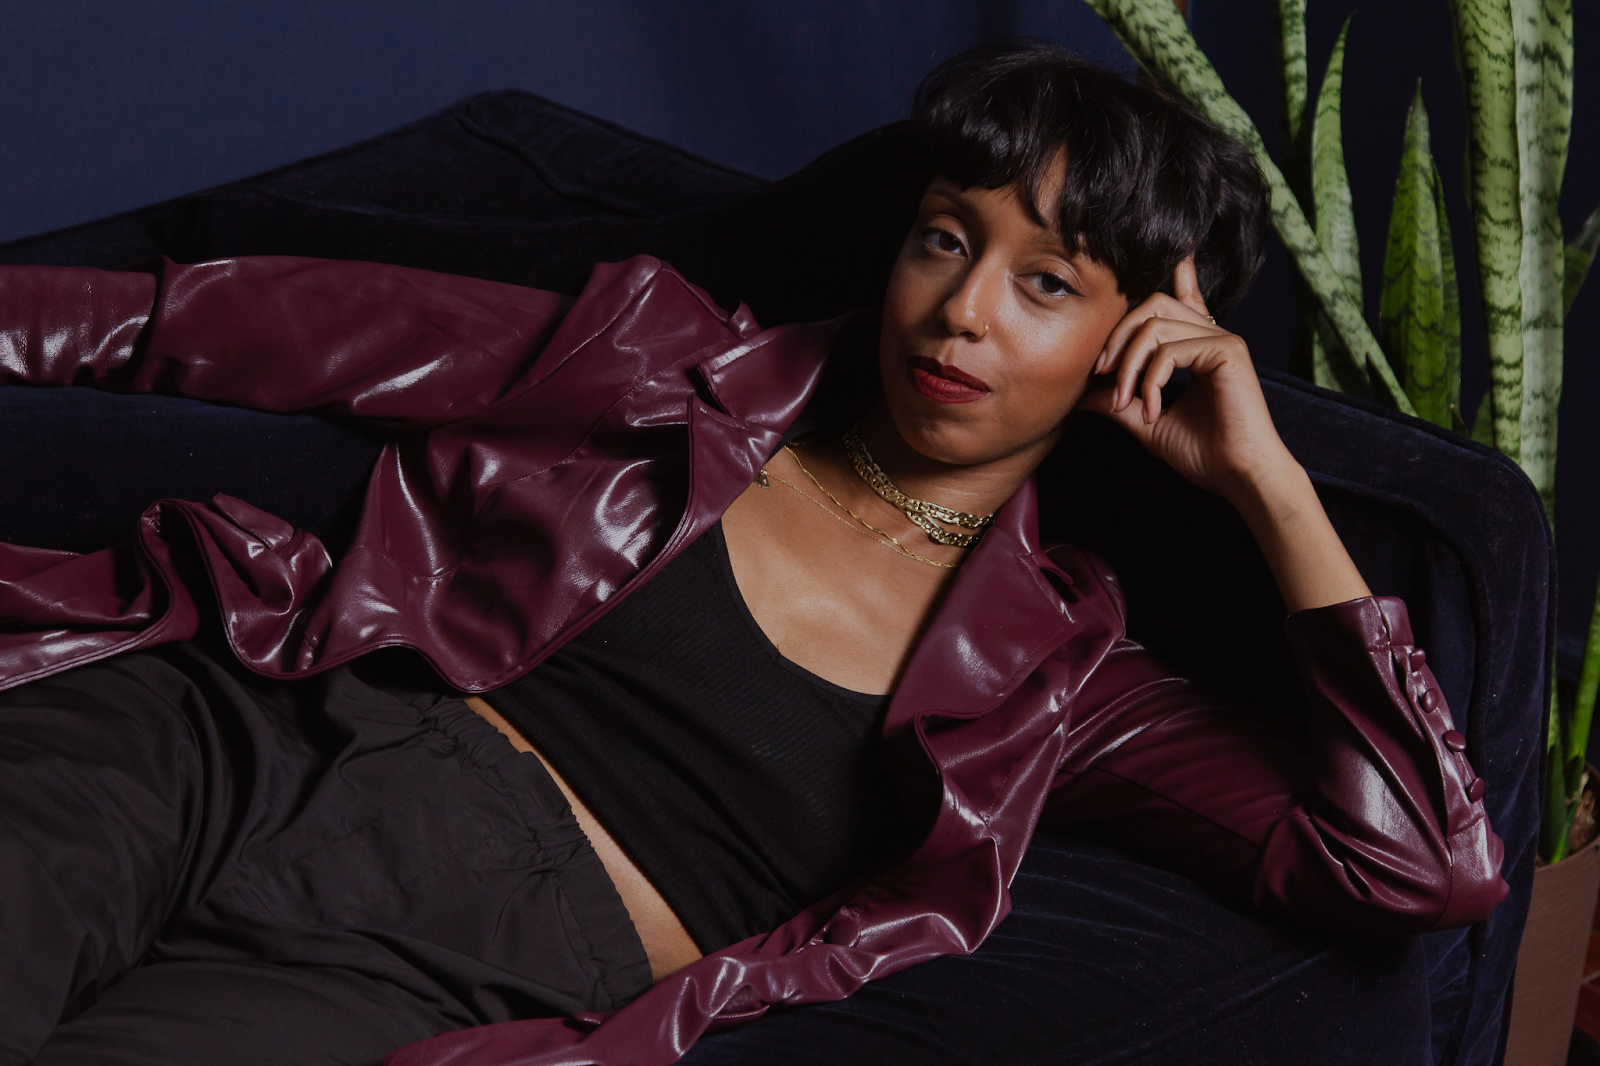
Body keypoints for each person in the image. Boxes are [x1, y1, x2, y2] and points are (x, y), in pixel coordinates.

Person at [0, 41, 1506, 1066]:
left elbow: (1415, 866)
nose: (964, 309)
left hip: (457, 945)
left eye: (1047, 281)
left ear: (1135, 346)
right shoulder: (675, 364)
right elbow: (247, 322)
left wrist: (1269, 484)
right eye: (944, 236)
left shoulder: (1067, 676)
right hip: (236, 726)